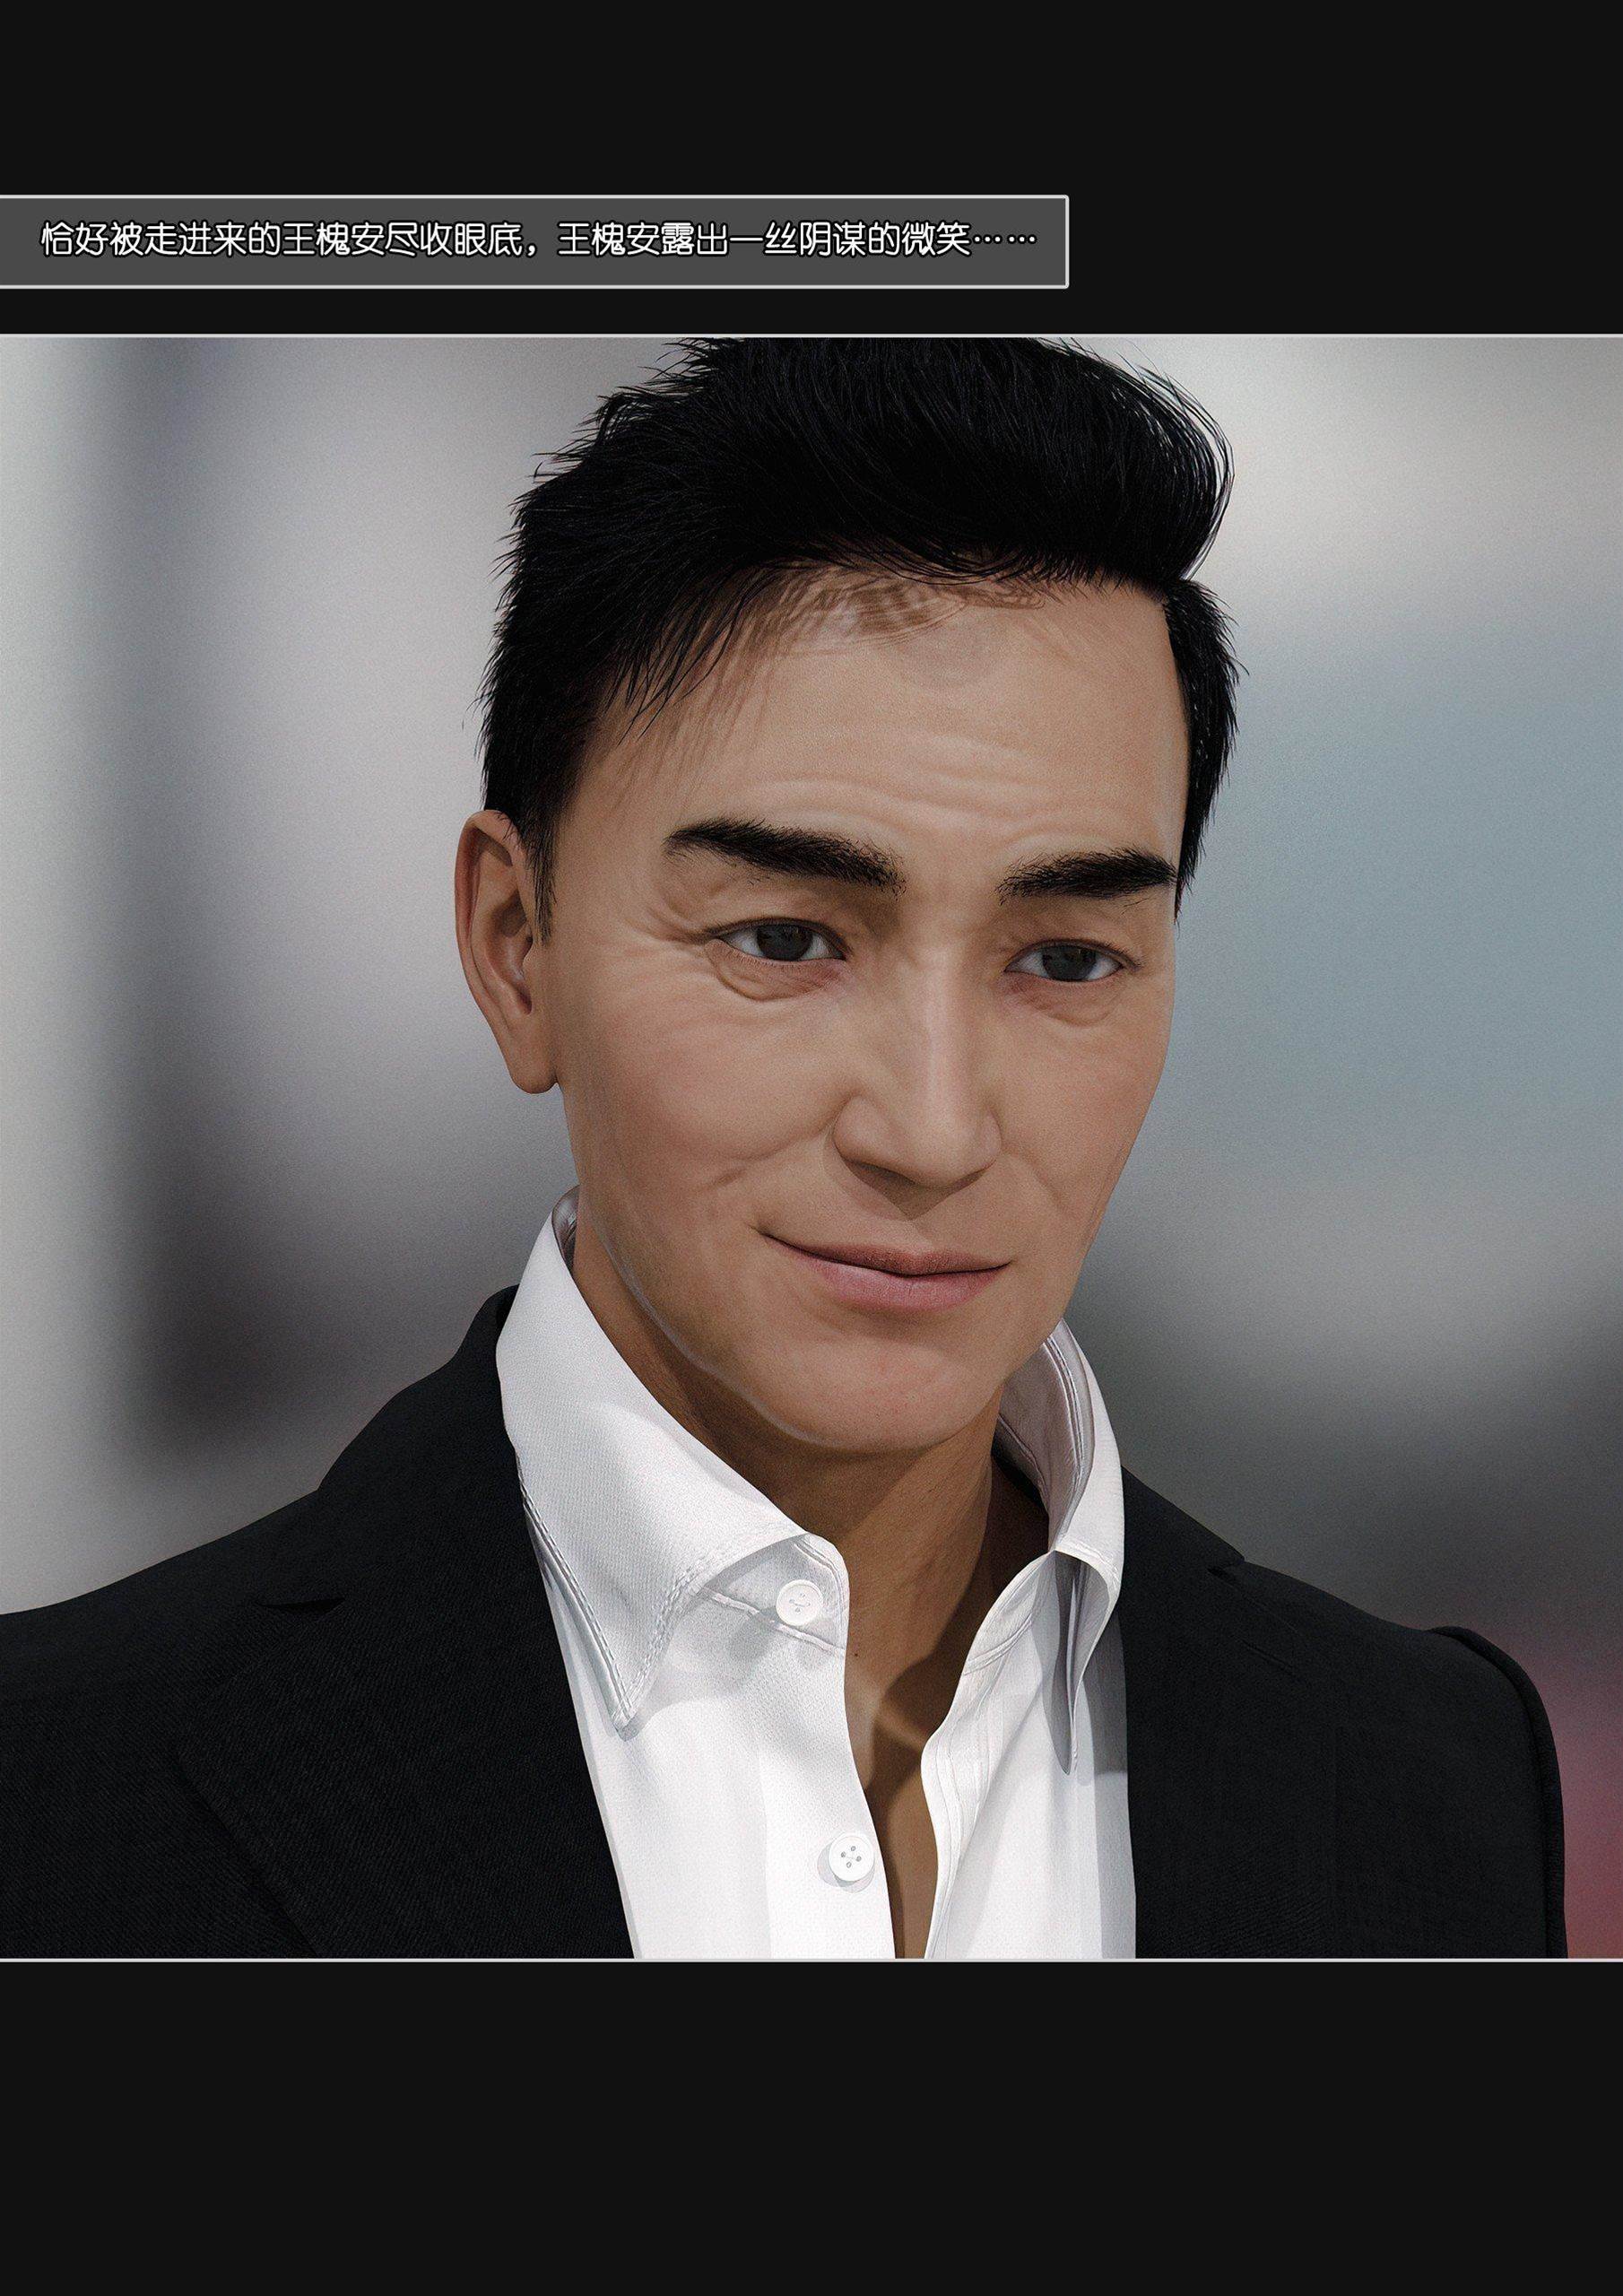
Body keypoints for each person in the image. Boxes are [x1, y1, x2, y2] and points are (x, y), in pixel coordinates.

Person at [0, 338, 1564, 1958]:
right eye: (783, 940)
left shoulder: (1422, 1775)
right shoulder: (56, 1790)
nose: (932, 1129)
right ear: (517, 947)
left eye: (1065, 958)